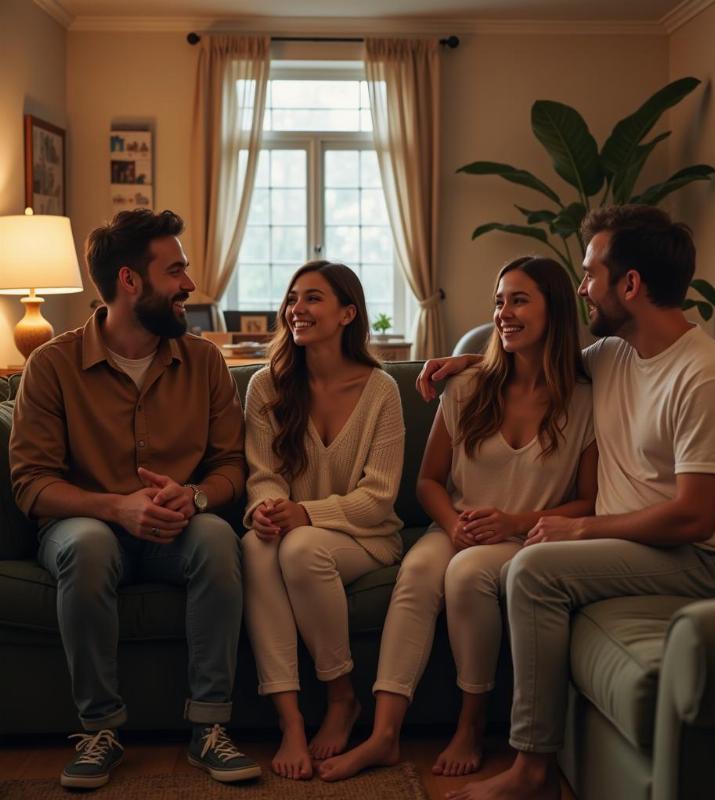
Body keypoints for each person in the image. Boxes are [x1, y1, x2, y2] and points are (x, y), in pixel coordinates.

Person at [415, 205, 715, 800]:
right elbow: (535, 363)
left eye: (589, 273)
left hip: (705, 560)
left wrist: (584, 530)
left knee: (533, 571)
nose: (581, 289)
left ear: (629, 285)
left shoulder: (707, 379)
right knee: (524, 564)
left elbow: (695, 516)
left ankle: (531, 769)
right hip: (639, 545)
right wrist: (466, 362)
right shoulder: (616, 354)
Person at [318, 256, 597, 782]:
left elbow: (588, 501)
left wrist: (514, 521)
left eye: (518, 300)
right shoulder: (466, 387)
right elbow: (427, 482)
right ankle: (383, 735)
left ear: (555, 310)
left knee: (467, 576)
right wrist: (451, 525)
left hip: (527, 536)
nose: (503, 313)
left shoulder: (585, 400)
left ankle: (470, 726)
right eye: (498, 301)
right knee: (419, 575)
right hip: (455, 525)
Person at [9, 209, 261, 790]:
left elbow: (231, 466)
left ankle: (209, 728)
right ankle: (99, 728)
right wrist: (115, 507)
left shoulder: (205, 363)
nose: (189, 287)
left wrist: (195, 497)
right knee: (91, 546)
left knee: (219, 539)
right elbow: (32, 483)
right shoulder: (51, 366)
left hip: (180, 528)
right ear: (130, 281)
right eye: (175, 271)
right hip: (86, 526)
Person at [242, 260, 405, 781]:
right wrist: (267, 508)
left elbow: (378, 499)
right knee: (253, 547)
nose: (297, 309)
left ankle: (341, 698)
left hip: (366, 538)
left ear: (347, 314)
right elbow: (262, 473)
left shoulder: (382, 390)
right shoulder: (266, 387)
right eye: (292, 299)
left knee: (300, 547)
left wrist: (304, 513)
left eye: (312, 298)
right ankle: (289, 720)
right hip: (292, 531)